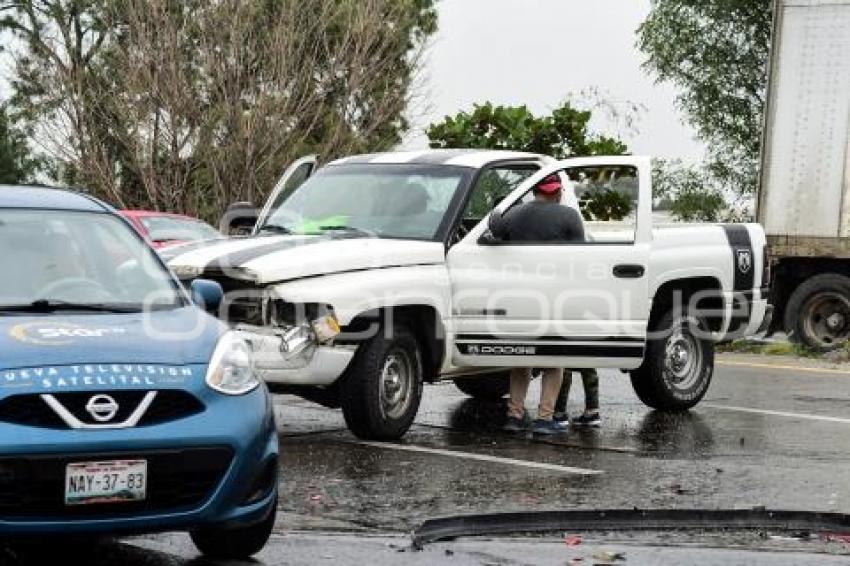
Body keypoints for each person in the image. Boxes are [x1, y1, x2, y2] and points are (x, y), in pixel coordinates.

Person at [489, 173, 585, 435]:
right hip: (555, 297)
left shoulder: (515, 215)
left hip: (520, 298)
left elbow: (494, 225)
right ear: (557, 192)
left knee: (523, 356)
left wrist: (499, 209)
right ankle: (545, 418)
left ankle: (515, 415)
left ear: (534, 192)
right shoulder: (569, 217)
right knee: (554, 359)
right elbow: (582, 258)